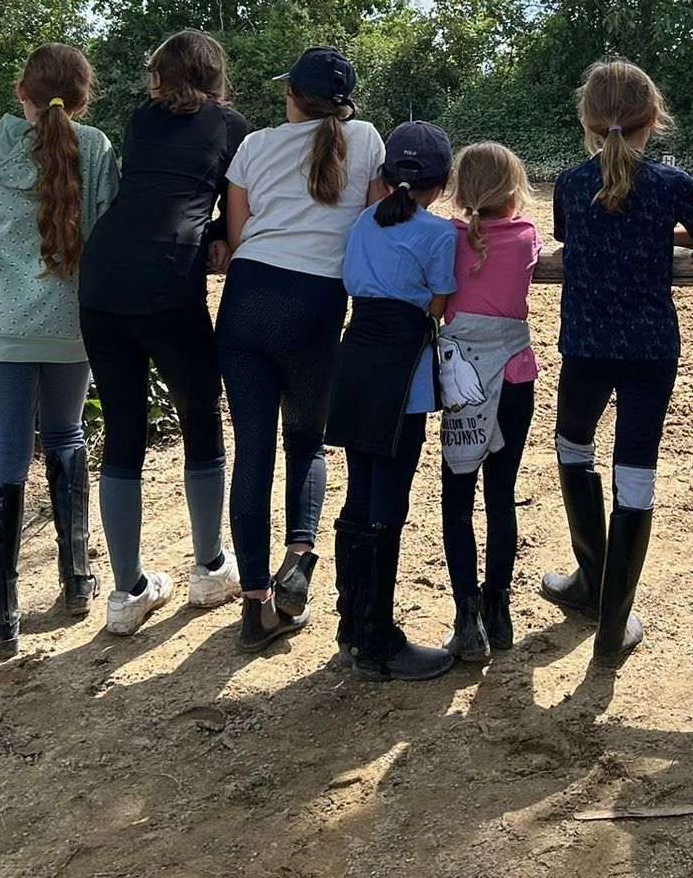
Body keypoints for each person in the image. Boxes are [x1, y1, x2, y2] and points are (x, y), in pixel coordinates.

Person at [541, 60, 693, 666]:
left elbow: (574, 237)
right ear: (654, 120)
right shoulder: (671, 183)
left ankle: (591, 582)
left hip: (587, 345)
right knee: (636, 473)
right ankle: (613, 620)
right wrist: (665, 237)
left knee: (573, 446)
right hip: (651, 349)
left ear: (589, 122)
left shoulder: (570, 183)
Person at [79, 31, 250, 637]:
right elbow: (230, 205)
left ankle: (126, 592)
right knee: (201, 415)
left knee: (123, 427)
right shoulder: (229, 123)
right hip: (166, 278)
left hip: (101, 280)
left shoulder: (139, 119)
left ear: (161, 76)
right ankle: (208, 568)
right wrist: (219, 242)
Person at [217, 45, 383, 651]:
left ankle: (256, 607)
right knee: (307, 443)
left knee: (252, 454)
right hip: (316, 304)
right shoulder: (366, 140)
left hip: (247, 299)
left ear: (293, 97)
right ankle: (300, 559)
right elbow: (370, 224)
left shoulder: (255, 145)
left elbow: (236, 235)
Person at [0, 44, 119, 655]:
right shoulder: (98, 148)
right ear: (83, 95)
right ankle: (78, 578)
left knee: (4, 454)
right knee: (66, 438)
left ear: (20, 91)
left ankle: (2, 610)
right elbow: (106, 224)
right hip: (71, 322)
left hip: (5, 321)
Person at [325, 121, 460, 681]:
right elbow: (439, 304)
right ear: (442, 182)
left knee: (359, 488)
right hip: (403, 366)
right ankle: (378, 641)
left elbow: (354, 281)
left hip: (354, 358)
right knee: (391, 498)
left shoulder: (362, 222)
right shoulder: (440, 234)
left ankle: (352, 624)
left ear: (383, 176)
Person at [437, 142, 541, 663]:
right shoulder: (526, 236)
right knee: (501, 494)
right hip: (516, 379)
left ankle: (466, 615)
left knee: (457, 499)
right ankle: (499, 611)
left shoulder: (446, 239)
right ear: (512, 190)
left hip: (463, 385)